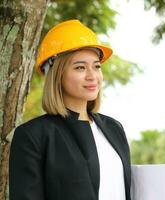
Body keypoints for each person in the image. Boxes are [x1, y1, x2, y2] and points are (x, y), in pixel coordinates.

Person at [9, 19, 131, 200]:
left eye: (96, 66)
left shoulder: (114, 128)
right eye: (80, 67)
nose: (92, 76)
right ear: (57, 75)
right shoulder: (33, 136)